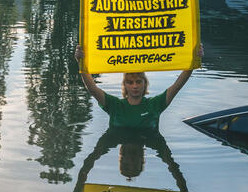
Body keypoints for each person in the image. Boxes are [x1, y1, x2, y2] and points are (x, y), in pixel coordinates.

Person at [74, 43, 203, 130]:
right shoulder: (115, 105)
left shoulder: (155, 104)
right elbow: (92, 88)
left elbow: (177, 86)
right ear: (125, 85)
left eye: (138, 82)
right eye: (130, 82)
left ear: (144, 83)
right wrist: (81, 62)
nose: (135, 86)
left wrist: (193, 60)